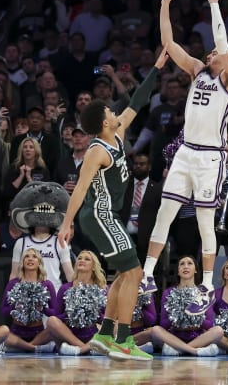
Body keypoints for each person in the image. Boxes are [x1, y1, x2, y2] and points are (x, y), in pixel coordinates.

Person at [140, 0, 228, 316]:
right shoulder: (197, 71)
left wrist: (214, 4)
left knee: (204, 221)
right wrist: (164, 4)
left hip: (210, 157)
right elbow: (168, 43)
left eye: (216, 52)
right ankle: (147, 275)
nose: (210, 52)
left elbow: (221, 42)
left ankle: (206, 286)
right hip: (186, 151)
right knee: (164, 213)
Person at [57, 46, 169, 361]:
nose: (114, 112)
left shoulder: (116, 132)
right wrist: (66, 224)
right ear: (104, 122)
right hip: (99, 214)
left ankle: (106, 333)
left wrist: (156, 67)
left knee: (123, 273)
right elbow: (79, 188)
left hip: (108, 215)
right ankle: (122, 339)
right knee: (133, 272)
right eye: (109, 111)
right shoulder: (96, 150)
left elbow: (138, 101)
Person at [133, 256, 223, 356]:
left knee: (218, 331)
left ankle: (179, 350)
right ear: (178, 272)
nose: (185, 266)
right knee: (156, 330)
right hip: (173, 336)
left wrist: (192, 318)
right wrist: (177, 319)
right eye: (182, 264)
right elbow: (163, 323)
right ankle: (194, 351)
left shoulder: (205, 293)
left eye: (189, 263)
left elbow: (209, 324)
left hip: (197, 337)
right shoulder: (168, 292)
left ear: (196, 270)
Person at [45, 250, 107, 356]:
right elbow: (56, 316)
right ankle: (85, 348)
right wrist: (71, 313)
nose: (82, 260)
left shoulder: (102, 289)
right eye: (79, 258)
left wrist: (94, 313)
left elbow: (106, 317)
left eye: (87, 259)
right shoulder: (65, 288)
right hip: (69, 333)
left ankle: (79, 350)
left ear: (93, 267)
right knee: (51, 321)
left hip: (92, 332)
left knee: (115, 325)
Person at [1, 249, 56, 353]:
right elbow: (3, 311)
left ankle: (23, 347)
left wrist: (43, 308)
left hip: (38, 333)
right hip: (17, 332)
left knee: (53, 330)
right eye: (27, 256)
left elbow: (55, 312)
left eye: (34, 257)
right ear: (22, 262)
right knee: (2, 333)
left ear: (39, 262)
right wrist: (15, 307)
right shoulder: (13, 283)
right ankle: (33, 348)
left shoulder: (46, 284)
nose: (30, 259)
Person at [9, 225, 73, 293]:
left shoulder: (59, 242)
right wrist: (10, 294)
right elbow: (14, 274)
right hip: (26, 294)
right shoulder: (21, 242)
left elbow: (69, 273)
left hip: (54, 293)